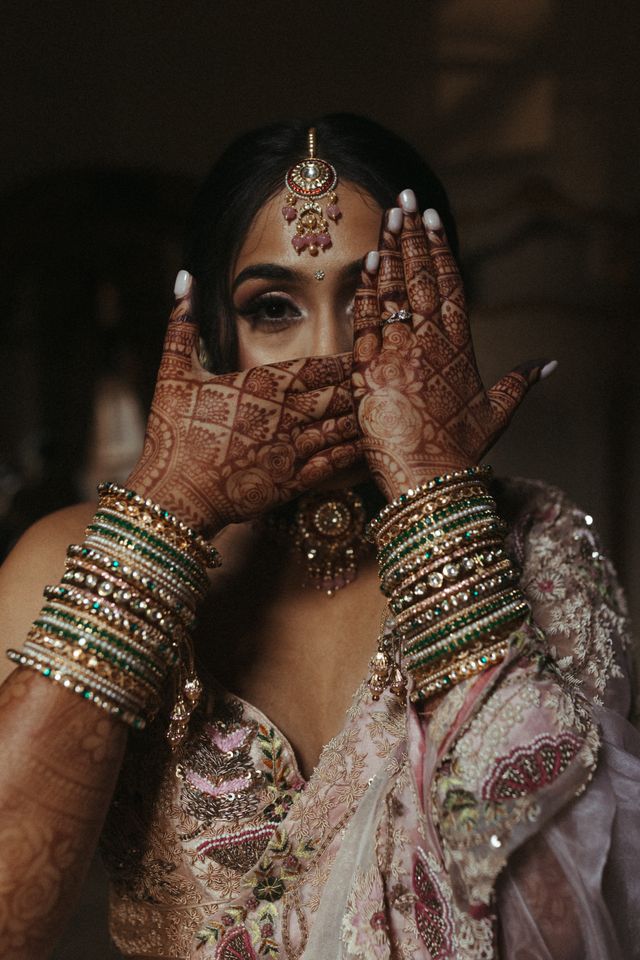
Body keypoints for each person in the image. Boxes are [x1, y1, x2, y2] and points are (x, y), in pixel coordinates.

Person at [0, 114, 637, 960]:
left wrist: (432, 503)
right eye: (273, 308)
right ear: (215, 335)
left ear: (448, 320)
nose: (330, 356)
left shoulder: (535, 543)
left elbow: (563, 921)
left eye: (384, 306)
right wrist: (166, 515)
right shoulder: (67, 556)